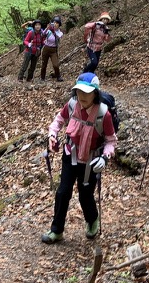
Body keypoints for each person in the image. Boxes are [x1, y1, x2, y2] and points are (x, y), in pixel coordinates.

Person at [42, 73, 118, 243]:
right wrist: (52, 135)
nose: (82, 96)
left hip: (91, 162)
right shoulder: (71, 105)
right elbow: (59, 120)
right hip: (70, 155)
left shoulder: (103, 114)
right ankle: (57, 230)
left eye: (87, 92)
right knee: (63, 192)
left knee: (85, 195)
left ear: (95, 93)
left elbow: (111, 140)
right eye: (79, 91)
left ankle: (92, 220)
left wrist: (104, 158)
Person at [40, 16, 64, 82]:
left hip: (54, 50)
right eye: (54, 23)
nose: (55, 24)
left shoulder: (60, 32)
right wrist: (47, 28)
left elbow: (58, 37)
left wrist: (53, 30)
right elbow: (42, 34)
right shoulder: (49, 31)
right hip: (46, 49)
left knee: (56, 64)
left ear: (59, 24)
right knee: (44, 64)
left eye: (57, 23)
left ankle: (58, 76)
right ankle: (42, 78)